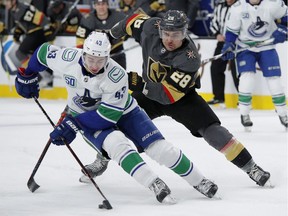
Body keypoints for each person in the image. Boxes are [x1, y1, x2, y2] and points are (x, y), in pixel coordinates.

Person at [14, 31, 219, 204]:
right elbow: (42, 52)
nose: (94, 65)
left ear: (107, 57)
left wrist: (73, 123)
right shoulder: (68, 57)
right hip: (82, 114)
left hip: (124, 111)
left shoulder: (116, 75)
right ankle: (153, 182)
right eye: (90, 59)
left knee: (161, 149)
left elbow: (107, 116)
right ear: (83, 53)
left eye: (100, 60)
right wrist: (27, 74)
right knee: (116, 143)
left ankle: (199, 180)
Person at [84, 10, 272, 188]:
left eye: (176, 34)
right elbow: (130, 20)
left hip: (180, 98)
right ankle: (101, 159)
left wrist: (139, 84)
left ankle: (251, 167)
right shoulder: (150, 27)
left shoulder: (190, 58)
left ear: (184, 33)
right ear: (160, 29)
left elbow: (166, 96)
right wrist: (109, 36)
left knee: (213, 130)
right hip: (148, 93)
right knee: (116, 125)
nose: (170, 39)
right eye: (166, 33)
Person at [221, 0, 288, 130]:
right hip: (245, 47)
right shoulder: (237, 7)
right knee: (247, 78)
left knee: (274, 80)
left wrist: (284, 29)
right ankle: (244, 113)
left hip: (267, 46)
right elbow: (231, 33)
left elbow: (286, 15)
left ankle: (283, 113)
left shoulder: (273, 3)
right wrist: (228, 45)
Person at [5, 0, 55, 88]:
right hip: (32, 33)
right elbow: (25, 23)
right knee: (35, 55)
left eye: (7, 2)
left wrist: (48, 29)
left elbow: (41, 18)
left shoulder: (22, 8)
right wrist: (18, 32)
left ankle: (35, 73)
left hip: (36, 33)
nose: (6, 4)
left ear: (13, 1)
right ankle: (46, 77)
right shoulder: (15, 9)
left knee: (20, 53)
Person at [76, 0, 127, 69]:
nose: (101, 7)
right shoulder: (87, 20)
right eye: (98, 4)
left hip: (116, 52)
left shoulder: (119, 17)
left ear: (107, 5)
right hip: (95, 57)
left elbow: (130, 28)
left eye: (103, 4)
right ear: (94, 6)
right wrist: (82, 55)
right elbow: (80, 39)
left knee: (120, 77)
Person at [207, 0, 239, 107]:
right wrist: (217, 34)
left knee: (237, 70)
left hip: (238, 43)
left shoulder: (242, 6)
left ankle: (243, 99)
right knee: (215, 67)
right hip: (223, 43)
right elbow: (213, 22)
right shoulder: (220, 6)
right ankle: (219, 97)